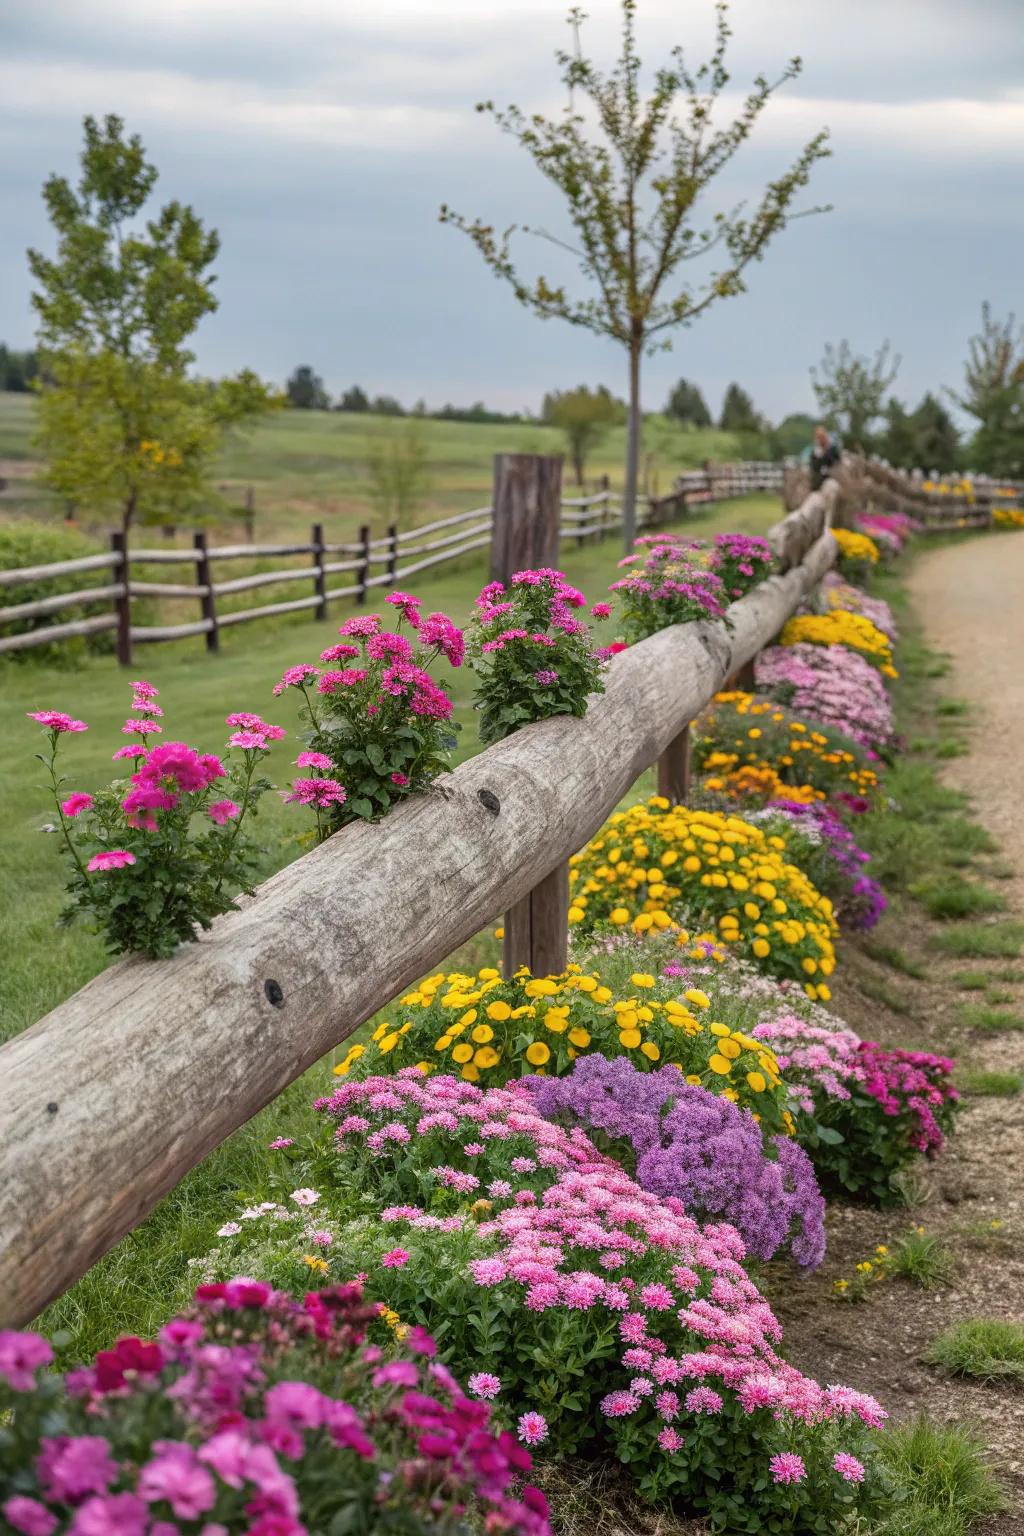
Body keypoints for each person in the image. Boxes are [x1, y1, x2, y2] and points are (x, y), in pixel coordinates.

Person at [808, 424, 841, 489]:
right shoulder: (815, 451)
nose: (821, 439)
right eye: (819, 437)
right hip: (819, 481)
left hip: (832, 478)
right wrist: (820, 455)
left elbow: (837, 462)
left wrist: (826, 452)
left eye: (822, 436)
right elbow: (814, 466)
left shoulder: (833, 449)